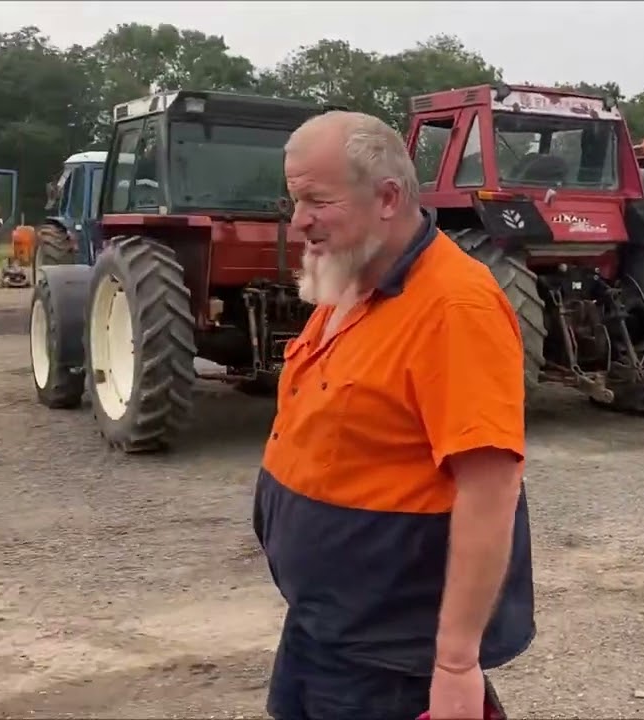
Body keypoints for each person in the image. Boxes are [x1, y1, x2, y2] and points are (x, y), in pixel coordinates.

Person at [253, 110, 535, 720]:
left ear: (386, 197)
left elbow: (490, 490)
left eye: (315, 201)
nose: (297, 220)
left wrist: (456, 664)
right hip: (325, 624)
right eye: (293, 199)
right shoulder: (348, 283)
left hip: (391, 654)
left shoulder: (455, 307)